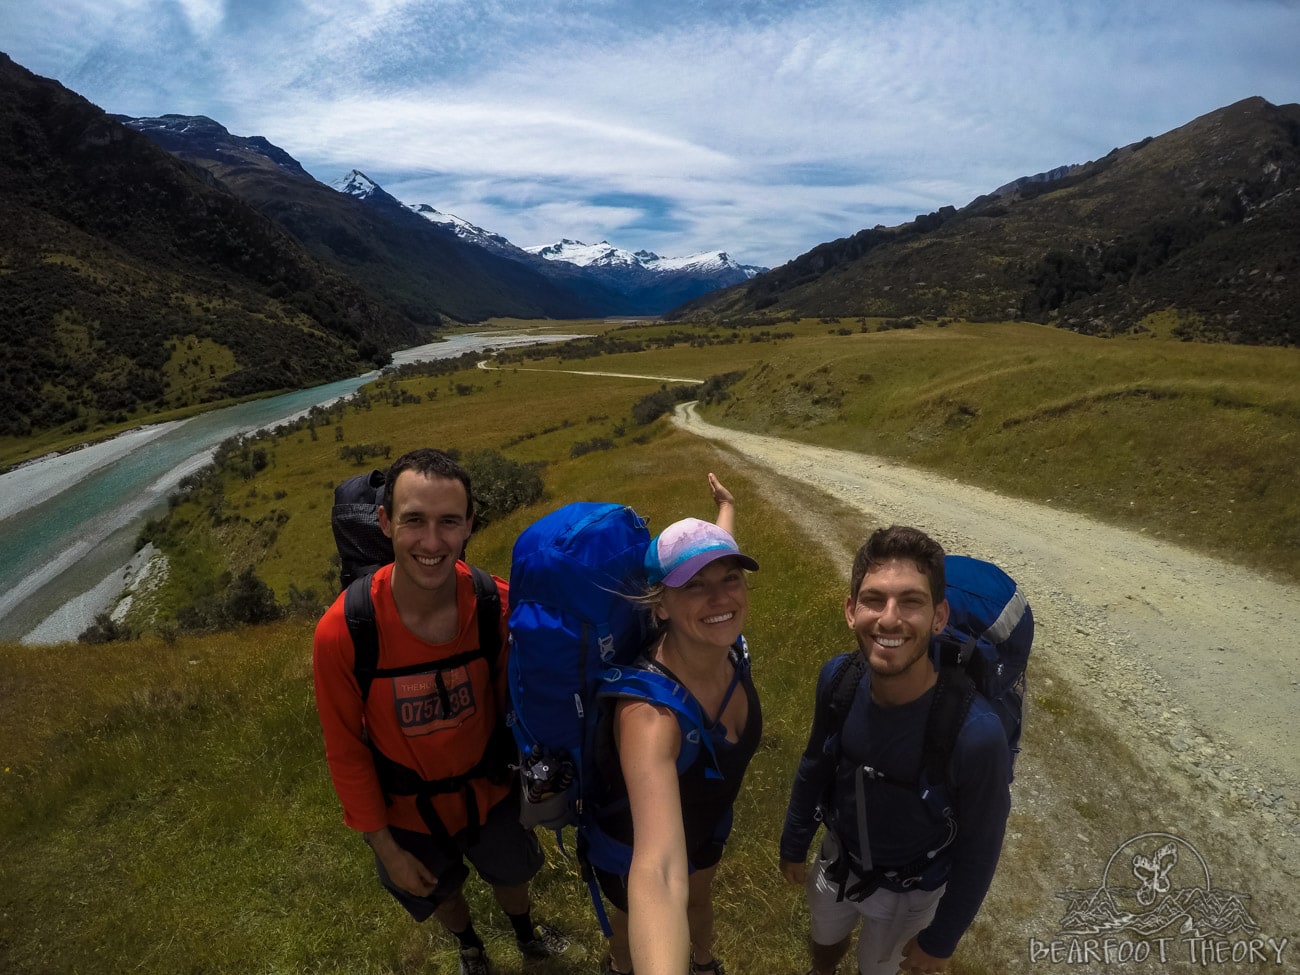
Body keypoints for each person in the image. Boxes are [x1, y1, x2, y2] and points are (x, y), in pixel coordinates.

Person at [313, 448, 568, 975]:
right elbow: (345, 750)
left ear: (469, 525)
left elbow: (549, 665)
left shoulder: (493, 604)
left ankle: (525, 937)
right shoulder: (344, 631)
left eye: (449, 522)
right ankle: (470, 946)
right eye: (414, 521)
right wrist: (385, 848)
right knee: (440, 889)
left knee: (511, 873)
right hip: (407, 811)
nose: (432, 542)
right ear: (385, 522)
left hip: (492, 791)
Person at [779, 526, 1011, 975]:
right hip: (837, 859)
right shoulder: (838, 679)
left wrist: (941, 941)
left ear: (939, 617)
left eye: (911, 601)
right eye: (873, 599)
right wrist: (794, 842)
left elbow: (981, 849)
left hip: (911, 890)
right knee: (825, 939)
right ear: (851, 611)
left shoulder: (976, 734)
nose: (889, 619)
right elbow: (816, 762)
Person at [592, 474, 761, 975]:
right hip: (629, 848)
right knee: (629, 931)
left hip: (706, 826)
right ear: (660, 604)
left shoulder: (725, 644)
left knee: (700, 899)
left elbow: (716, 568)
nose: (720, 597)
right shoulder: (651, 715)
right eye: (694, 585)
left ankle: (705, 963)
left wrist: (726, 507)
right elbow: (660, 873)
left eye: (731, 577)